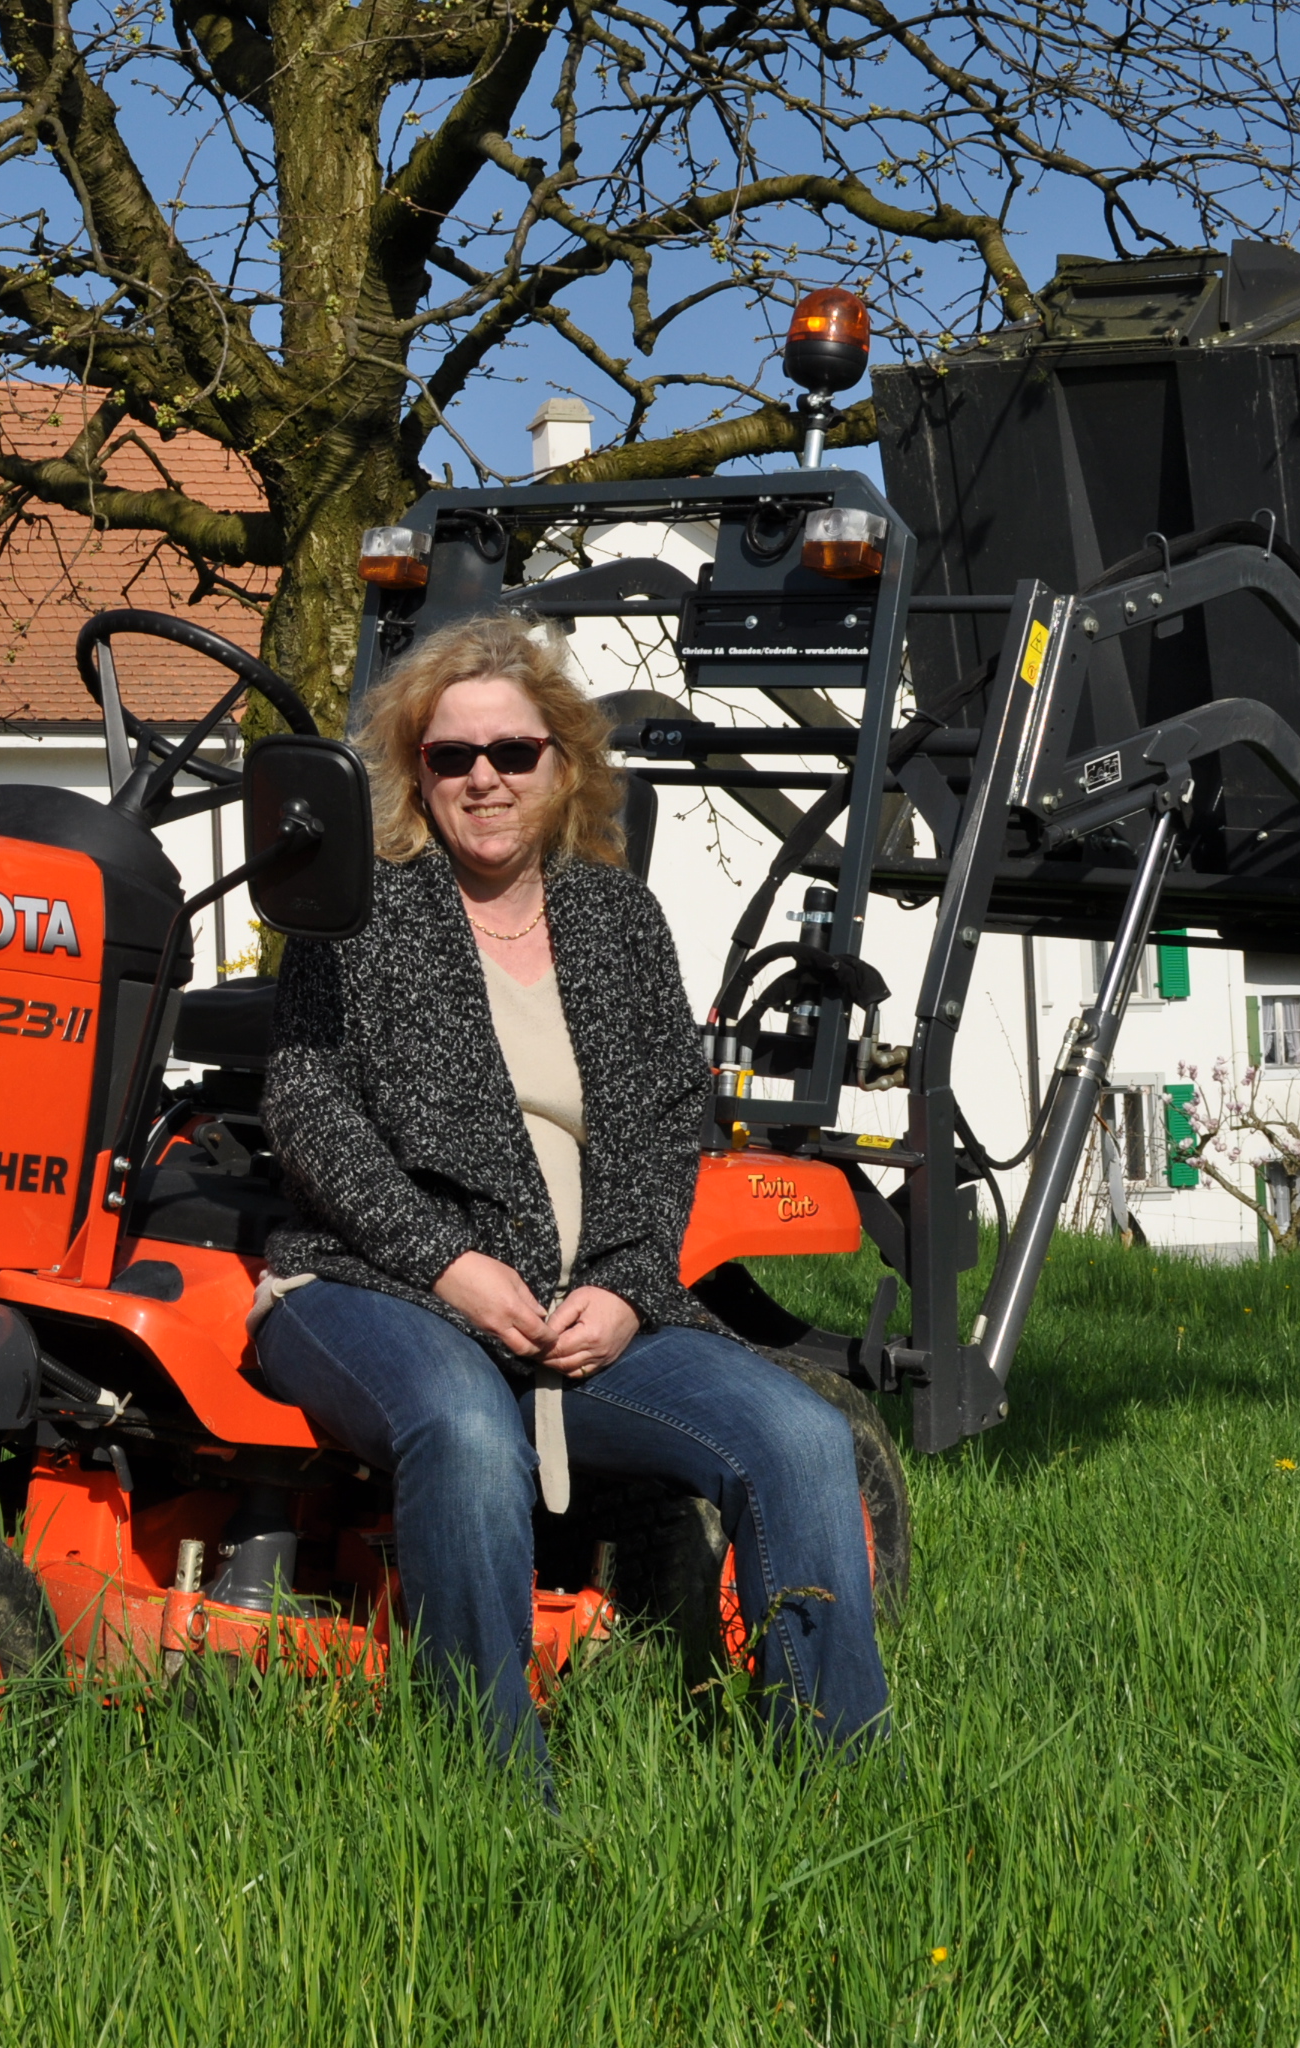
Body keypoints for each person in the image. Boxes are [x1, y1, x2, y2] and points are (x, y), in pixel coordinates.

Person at [257, 615, 889, 1765]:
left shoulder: (618, 921)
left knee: (800, 1437)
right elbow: (306, 1110)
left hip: (582, 1300)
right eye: (451, 757)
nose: (484, 778)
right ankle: (494, 1795)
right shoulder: (358, 917)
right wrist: (450, 1266)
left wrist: (629, 1291)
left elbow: (660, 1133)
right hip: (373, 1285)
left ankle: (839, 1779)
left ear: (565, 766)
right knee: (463, 1425)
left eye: (513, 752)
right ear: (415, 773)